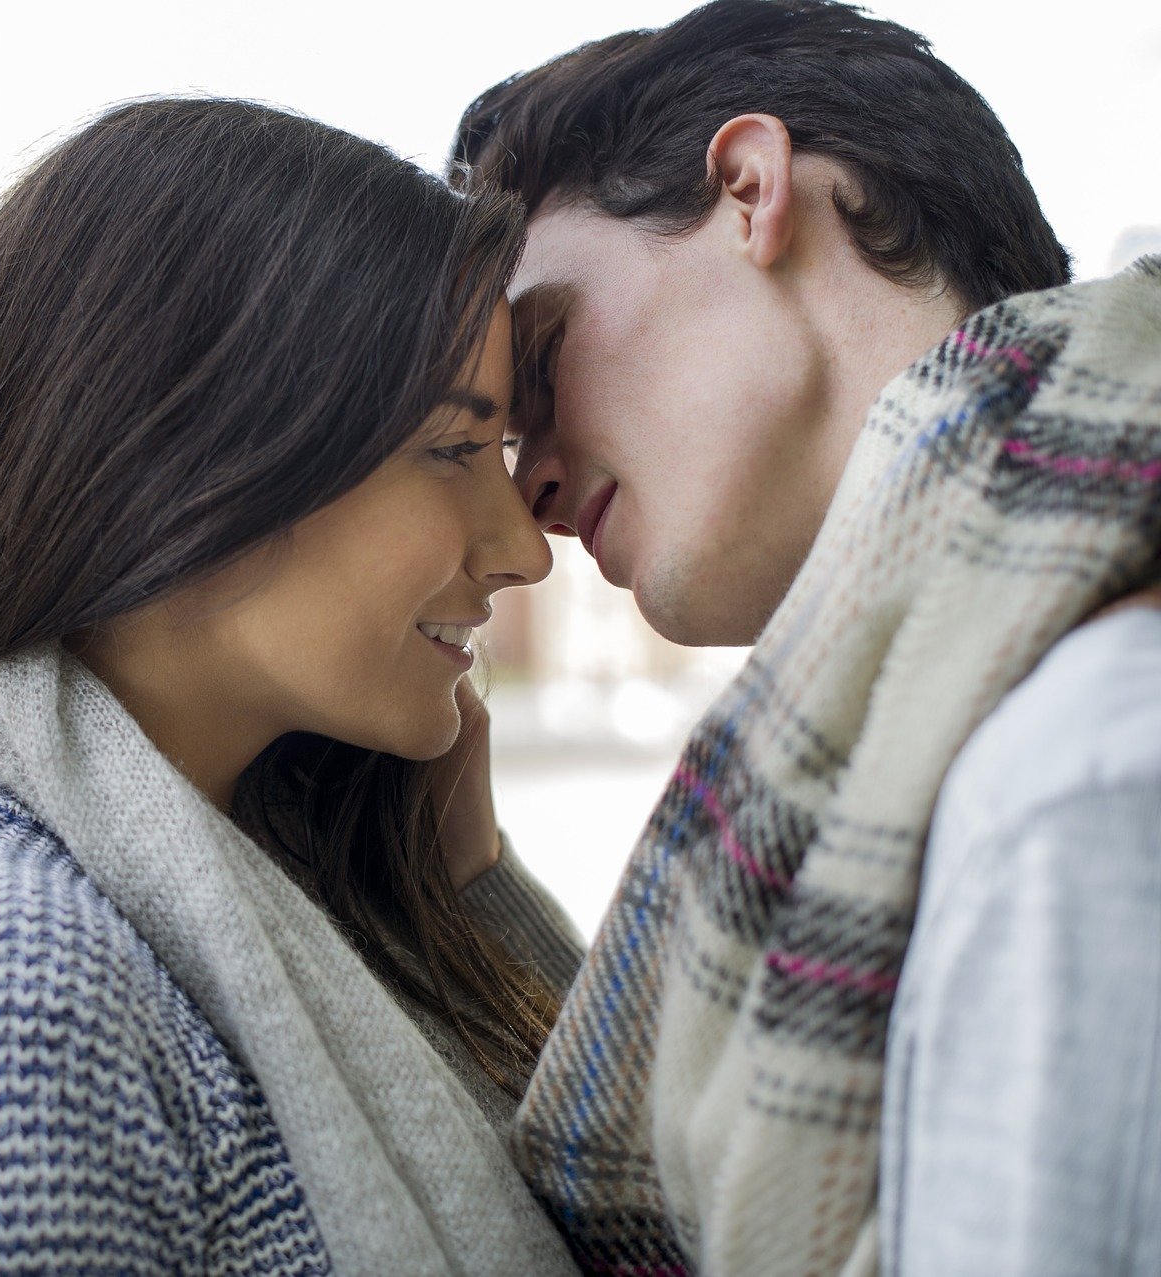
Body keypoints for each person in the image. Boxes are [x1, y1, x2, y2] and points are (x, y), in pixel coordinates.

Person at [0, 98, 588, 1276]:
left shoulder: (300, 872)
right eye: (456, 450)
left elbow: (645, 1224)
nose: (523, 546)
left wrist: (472, 884)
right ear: (192, 455)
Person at [452, 1, 1161, 1274]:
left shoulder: (1085, 766)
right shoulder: (924, 760)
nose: (529, 497)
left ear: (747, 188)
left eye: (546, 365)